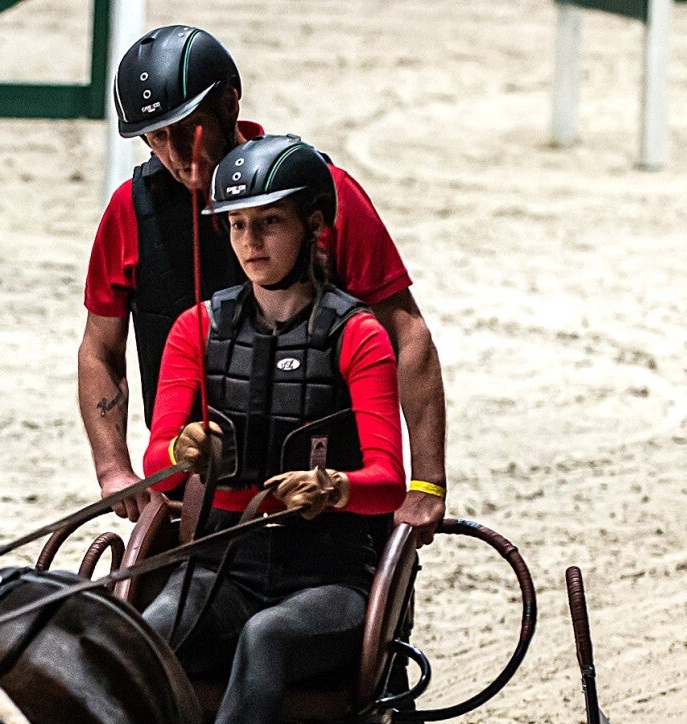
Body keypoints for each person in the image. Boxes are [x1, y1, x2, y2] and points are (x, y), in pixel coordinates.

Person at [78, 25, 447, 546]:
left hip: (328, 495)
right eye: (157, 138)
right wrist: (113, 468)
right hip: (195, 490)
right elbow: (99, 349)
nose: (177, 154)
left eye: (189, 128)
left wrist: (427, 482)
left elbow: (408, 336)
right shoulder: (130, 211)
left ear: (230, 103)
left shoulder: (323, 195)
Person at [139, 134, 406, 724]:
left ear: (313, 226)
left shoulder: (358, 334)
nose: (249, 242)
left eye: (269, 222)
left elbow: (387, 482)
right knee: (145, 631)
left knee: (267, 635)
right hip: (222, 570)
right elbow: (157, 463)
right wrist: (180, 452)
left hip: (327, 581)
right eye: (236, 225)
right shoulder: (196, 328)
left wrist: (335, 488)